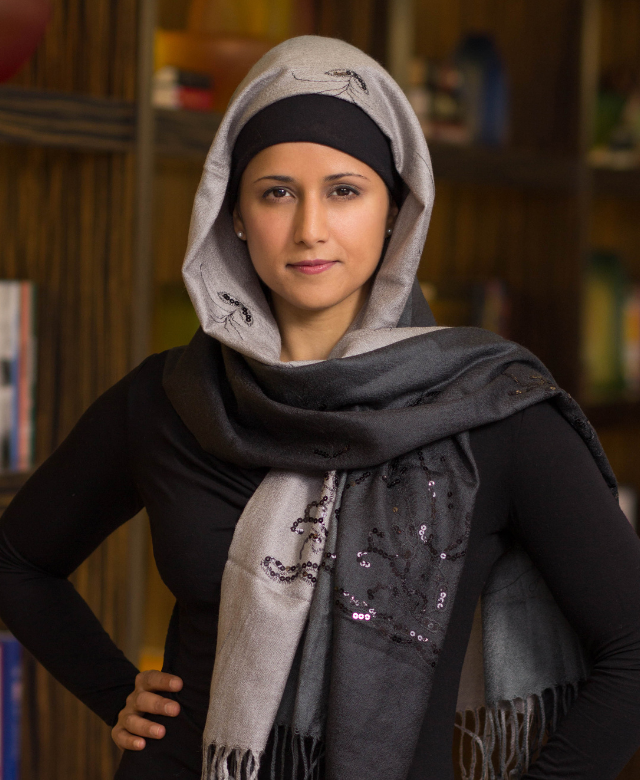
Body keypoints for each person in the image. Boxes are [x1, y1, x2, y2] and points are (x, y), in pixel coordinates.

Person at [1, 35, 640, 780]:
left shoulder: (489, 409)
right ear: (234, 213)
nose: (310, 228)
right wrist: (115, 692)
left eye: (344, 190)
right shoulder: (170, 399)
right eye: (276, 192)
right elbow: (17, 560)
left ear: (396, 209)